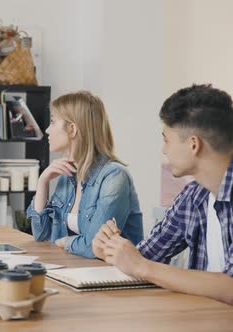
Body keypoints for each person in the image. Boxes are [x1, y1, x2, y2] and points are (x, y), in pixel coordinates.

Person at [92, 84, 233, 305]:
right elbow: (149, 255)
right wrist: (111, 250)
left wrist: (143, 267)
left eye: (166, 139)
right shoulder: (195, 195)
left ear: (194, 144)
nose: (164, 149)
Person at [26, 91, 144, 258]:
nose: (47, 130)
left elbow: (94, 247)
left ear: (72, 129)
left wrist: (65, 242)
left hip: (115, 274)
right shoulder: (68, 174)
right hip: (81, 268)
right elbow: (42, 235)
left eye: (53, 122)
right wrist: (43, 181)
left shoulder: (114, 177)